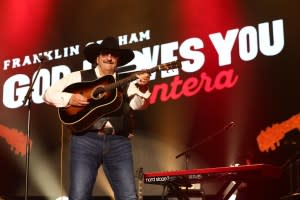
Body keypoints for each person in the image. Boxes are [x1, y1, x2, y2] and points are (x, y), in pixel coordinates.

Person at [43, 36, 151, 200]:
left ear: (118, 60)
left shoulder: (126, 81)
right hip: (85, 140)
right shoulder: (78, 77)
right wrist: (70, 99)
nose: (109, 58)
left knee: (128, 196)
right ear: (97, 58)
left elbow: (138, 105)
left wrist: (144, 87)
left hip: (118, 142)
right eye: (105, 54)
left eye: (114, 55)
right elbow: (48, 94)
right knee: (79, 196)